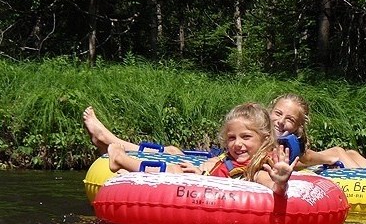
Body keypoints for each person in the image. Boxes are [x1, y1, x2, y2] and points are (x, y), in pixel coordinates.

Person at [83, 93, 340, 167]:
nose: (281, 121)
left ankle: (111, 143)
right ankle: (110, 140)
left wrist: (332, 157)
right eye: (278, 113)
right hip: (219, 162)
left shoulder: (288, 145)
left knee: (174, 154)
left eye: (290, 120)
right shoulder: (254, 127)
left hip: (226, 167)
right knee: (173, 151)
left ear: (298, 127)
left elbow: (306, 158)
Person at [107, 102, 298, 196]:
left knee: (174, 172)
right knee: (181, 168)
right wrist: (200, 173)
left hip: (218, 202)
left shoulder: (260, 166)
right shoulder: (232, 158)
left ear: (265, 138)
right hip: (206, 188)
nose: (237, 144)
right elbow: (218, 170)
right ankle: (130, 170)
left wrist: (280, 182)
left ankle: (122, 160)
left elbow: (271, 186)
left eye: (246, 137)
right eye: (231, 138)